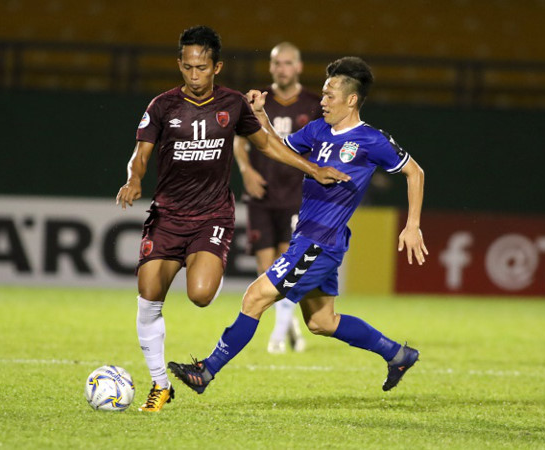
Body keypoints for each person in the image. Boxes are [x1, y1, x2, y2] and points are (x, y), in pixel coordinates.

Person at [115, 26, 349, 412]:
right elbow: (140, 154)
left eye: (201, 68)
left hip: (212, 216)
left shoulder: (234, 104)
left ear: (216, 67)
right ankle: (159, 385)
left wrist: (312, 169)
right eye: (187, 67)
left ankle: (208, 263)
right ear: (180, 64)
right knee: (148, 296)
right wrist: (133, 179)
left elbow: (270, 145)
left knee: (201, 295)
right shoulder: (162, 106)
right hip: (168, 215)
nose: (193, 76)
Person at [168, 56, 428, 397]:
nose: (322, 101)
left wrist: (412, 226)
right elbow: (278, 148)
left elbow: (415, 172)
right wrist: (261, 116)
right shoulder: (318, 129)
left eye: (330, 94)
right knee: (322, 322)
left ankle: (207, 371)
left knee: (254, 297)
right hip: (310, 237)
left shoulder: (370, 140)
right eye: (322, 93)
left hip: (321, 241)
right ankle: (399, 355)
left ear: (351, 99)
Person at [233, 42, 322, 354]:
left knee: (288, 267)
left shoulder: (313, 103)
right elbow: (240, 142)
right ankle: (289, 324)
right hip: (261, 195)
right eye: (276, 63)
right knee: (265, 270)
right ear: (270, 67)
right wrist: (245, 170)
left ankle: (281, 331)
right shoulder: (257, 100)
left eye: (287, 63)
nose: (282, 68)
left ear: (298, 67)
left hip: (296, 197)